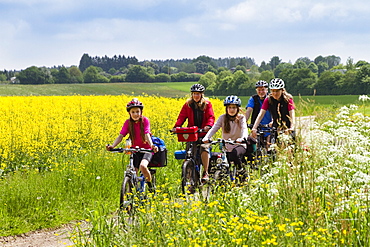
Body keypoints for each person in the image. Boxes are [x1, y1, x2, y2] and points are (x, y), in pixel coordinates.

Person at [106, 98, 158, 191]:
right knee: (133, 171)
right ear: (129, 113)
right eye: (133, 112)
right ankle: (134, 192)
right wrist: (112, 146)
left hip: (146, 150)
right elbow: (121, 135)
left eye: (137, 111)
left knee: (143, 166)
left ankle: (151, 187)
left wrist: (152, 146)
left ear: (141, 112)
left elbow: (146, 134)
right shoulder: (128, 123)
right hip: (134, 150)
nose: (135, 114)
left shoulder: (145, 121)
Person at [172, 84, 215, 181]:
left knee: (204, 148)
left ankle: (206, 172)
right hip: (191, 134)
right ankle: (189, 175)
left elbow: (210, 117)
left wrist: (208, 126)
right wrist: (176, 127)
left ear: (202, 95)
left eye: (198, 94)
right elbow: (181, 117)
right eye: (194, 94)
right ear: (192, 94)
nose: (196, 96)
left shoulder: (207, 104)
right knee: (189, 153)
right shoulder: (187, 105)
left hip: (204, 133)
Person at [202, 95, 249, 173]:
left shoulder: (241, 118)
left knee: (235, 154)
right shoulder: (222, 118)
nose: (231, 110)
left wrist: (243, 138)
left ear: (237, 109)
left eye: (234, 107)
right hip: (226, 146)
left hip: (239, 145)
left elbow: (244, 129)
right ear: (226, 108)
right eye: (229, 107)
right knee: (215, 159)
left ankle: (242, 173)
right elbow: (214, 128)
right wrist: (206, 137)